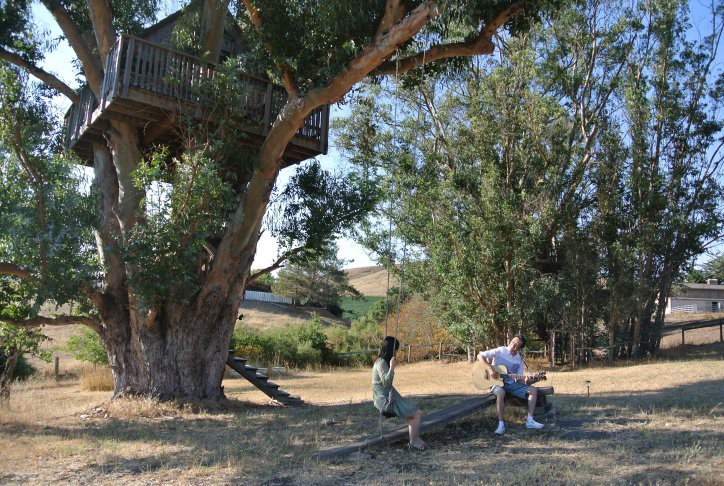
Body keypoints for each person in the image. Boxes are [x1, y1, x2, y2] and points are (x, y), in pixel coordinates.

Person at [477, 334, 545, 435]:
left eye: (517, 344)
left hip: (511, 384)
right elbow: (480, 355)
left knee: (533, 390)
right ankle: (501, 424)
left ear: (519, 348)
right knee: (500, 392)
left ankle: (530, 420)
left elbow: (519, 379)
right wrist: (490, 369)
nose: (513, 344)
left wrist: (529, 380)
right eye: (513, 341)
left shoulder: (519, 360)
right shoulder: (501, 351)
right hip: (495, 383)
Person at [371, 336, 427, 450]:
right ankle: (413, 442)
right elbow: (386, 385)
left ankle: (415, 439)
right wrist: (392, 368)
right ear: (391, 349)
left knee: (416, 413)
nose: (396, 353)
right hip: (385, 401)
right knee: (416, 414)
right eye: (395, 350)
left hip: (389, 396)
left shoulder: (382, 362)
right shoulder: (381, 363)